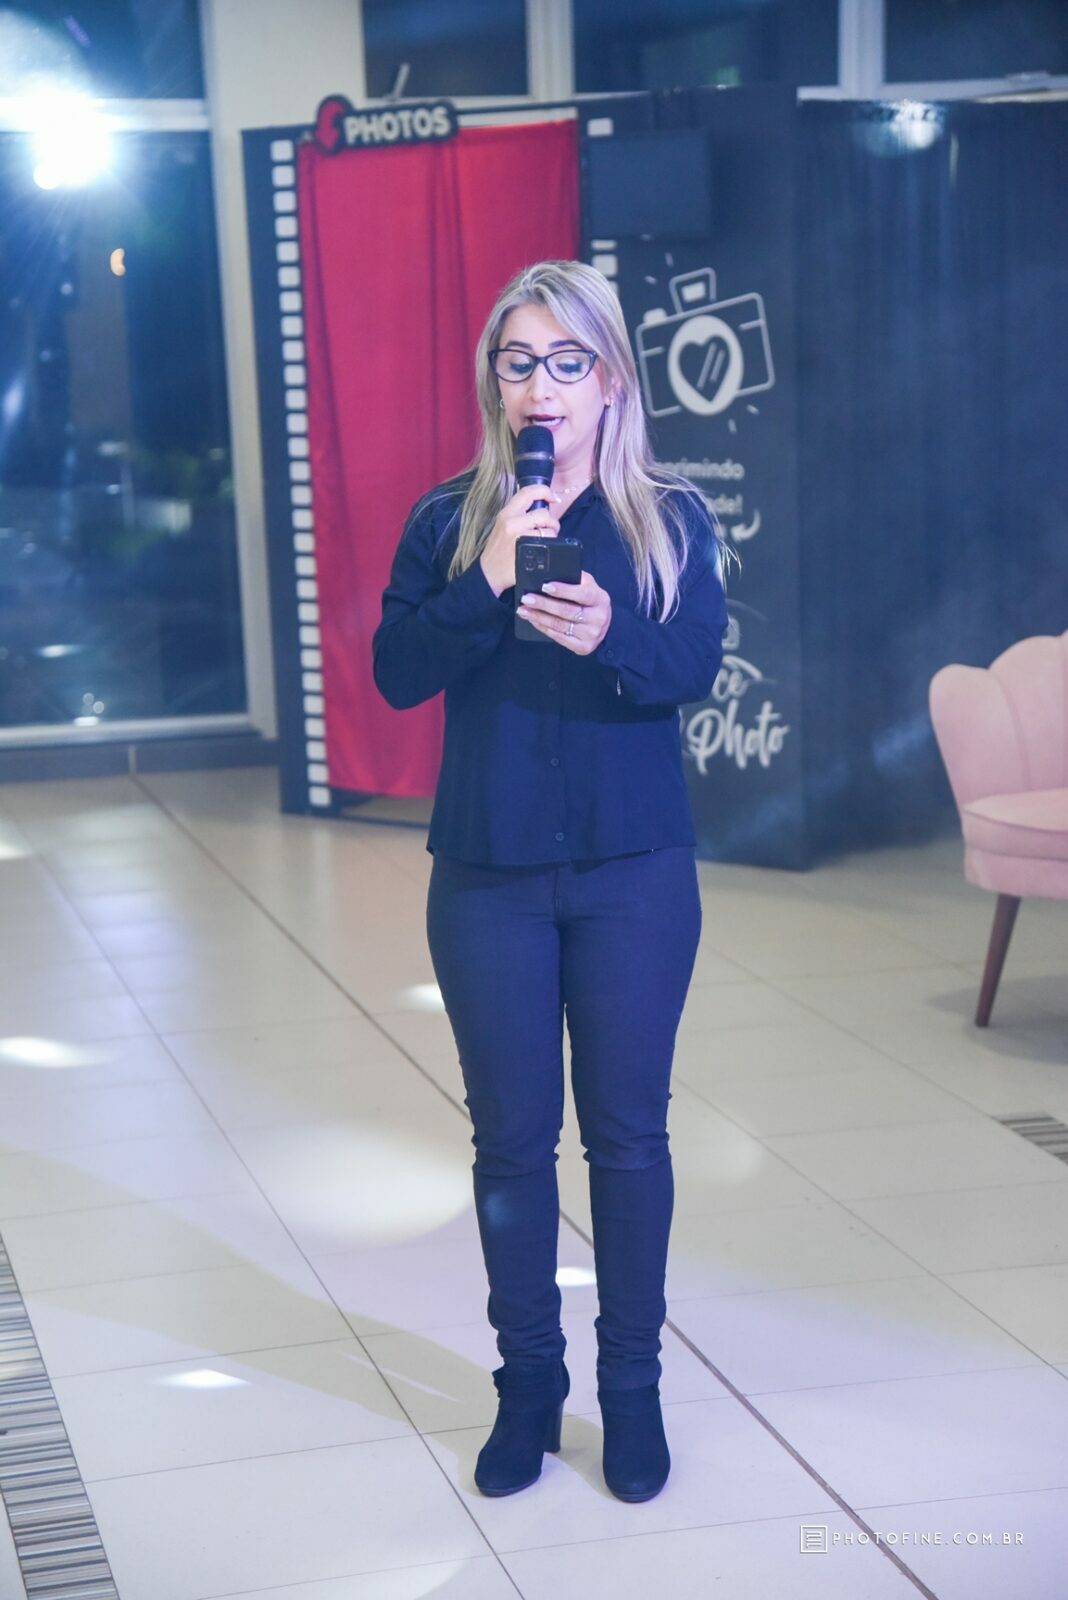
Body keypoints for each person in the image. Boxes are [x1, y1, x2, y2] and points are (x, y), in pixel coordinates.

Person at [372, 259, 730, 1503]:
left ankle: (631, 1388)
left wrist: (611, 635)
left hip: (636, 875)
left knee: (628, 1138)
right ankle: (530, 1382)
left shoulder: (670, 517)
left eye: (566, 362)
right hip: (489, 878)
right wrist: (485, 581)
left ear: (610, 379)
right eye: (518, 362)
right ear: (496, 382)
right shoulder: (449, 520)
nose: (541, 386)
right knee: (512, 1145)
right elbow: (396, 671)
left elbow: (692, 661)